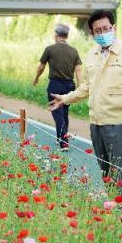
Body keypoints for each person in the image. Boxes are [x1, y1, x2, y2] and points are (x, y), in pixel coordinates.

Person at [49, 10, 122, 196]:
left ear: (114, 28)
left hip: (118, 122)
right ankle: (112, 213)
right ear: (92, 33)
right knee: (106, 174)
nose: (103, 33)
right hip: (96, 123)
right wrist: (65, 99)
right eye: (98, 31)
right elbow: (87, 86)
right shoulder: (92, 54)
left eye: (106, 28)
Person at [34, 23, 82, 151]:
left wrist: (37, 78)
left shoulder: (50, 49)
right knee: (64, 112)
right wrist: (80, 87)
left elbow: (41, 67)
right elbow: (78, 70)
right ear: (66, 35)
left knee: (57, 113)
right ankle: (60, 137)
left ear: (56, 35)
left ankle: (63, 142)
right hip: (69, 85)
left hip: (55, 84)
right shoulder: (74, 51)